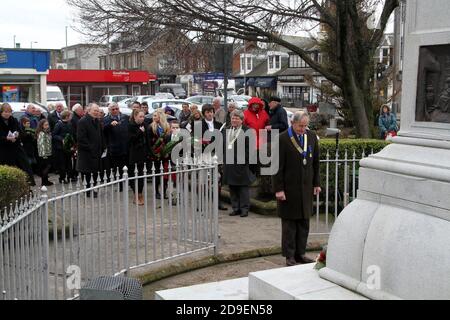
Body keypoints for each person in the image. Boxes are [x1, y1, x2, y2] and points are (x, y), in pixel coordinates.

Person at [273, 111, 321, 266]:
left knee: (304, 223)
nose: (303, 129)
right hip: (289, 188)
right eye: (301, 126)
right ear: (293, 123)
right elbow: (277, 167)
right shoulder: (282, 139)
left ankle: (301, 253)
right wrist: (279, 189)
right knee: (289, 225)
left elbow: (316, 163)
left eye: (306, 125)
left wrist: (317, 184)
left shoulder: (311, 136)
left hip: (306, 189)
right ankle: (290, 256)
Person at [223, 110, 256, 218]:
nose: (234, 120)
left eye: (237, 118)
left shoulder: (247, 131)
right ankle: (235, 208)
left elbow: (250, 149)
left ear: (241, 120)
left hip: (241, 164)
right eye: (233, 118)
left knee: (243, 188)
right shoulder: (226, 130)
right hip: (229, 163)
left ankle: (244, 209)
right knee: (232, 187)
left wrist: (244, 160)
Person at [0, 103, 36, 186]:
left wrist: (16, 136)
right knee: (8, 170)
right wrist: (6, 139)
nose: (7, 114)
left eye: (9, 112)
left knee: (25, 167)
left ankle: (28, 186)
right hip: (4, 150)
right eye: (5, 112)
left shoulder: (14, 120)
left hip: (16, 147)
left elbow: (20, 132)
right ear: (1, 112)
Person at [76, 103, 105, 197]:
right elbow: (81, 138)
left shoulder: (97, 121)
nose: (97, 113)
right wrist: (91, 148)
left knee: (95, 172)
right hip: (87, 153)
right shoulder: (82, 121)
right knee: (87, 173)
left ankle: (93, 189)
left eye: (98, 111)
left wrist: (103, 147)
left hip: (97, 153)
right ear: (89, 111)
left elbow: (101, 135)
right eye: (95, 111)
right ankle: (88, 191)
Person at [103, 102, 129, 185]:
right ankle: (119, 183)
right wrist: (110, 125)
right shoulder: (106, 119)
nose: (115, 111)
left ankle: (125, 181)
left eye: (116, 109)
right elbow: (103, 130)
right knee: (117, 167)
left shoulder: (125, 117)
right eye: (113, 109)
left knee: (125, 166)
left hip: (124, 146)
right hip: (114, 147)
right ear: (109, 110)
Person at [148, 109, 171, 199]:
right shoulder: (151, 127)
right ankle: (156, 192)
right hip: (156, 154)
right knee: (157, 173)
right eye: (153, 116)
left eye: (155, 116)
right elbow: (149, 142)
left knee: (165, 173)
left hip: (165, 153)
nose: (153, 117)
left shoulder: (167, 126)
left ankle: (164, 191)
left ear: (160, 116)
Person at [128, 109, 148, 205]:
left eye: (143, 116)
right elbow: (131, 140)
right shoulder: (130, 126)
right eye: (140, 116)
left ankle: (140, 194)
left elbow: (146, 139)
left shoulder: (144, 125)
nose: (142, 118)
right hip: (134, 154)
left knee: (141, 175)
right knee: (134, 175)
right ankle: (136, 194)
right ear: (135, 116)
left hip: (143, 154)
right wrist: (140, 132)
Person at [52, 110, 75, 184]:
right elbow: (54, 135)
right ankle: (62, 178)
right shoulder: (58, 124)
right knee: (62, 164)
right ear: (67, 116)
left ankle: (69, 177)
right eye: (70, 116)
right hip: (60, 148)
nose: (71, 117)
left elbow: (72, 134)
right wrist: (61, 139)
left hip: (68, 147)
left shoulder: (70, 124)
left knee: (69, 163)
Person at [36, 119, 54, 186]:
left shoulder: (47, 132)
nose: (47, 126)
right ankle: (44, 182)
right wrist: (43, 155)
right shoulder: (41, 133)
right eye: (45, 125)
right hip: (44, 154)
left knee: (47, 167)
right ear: (42, 126)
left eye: (47, 124)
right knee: (46, 167)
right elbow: (41, 144)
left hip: (49, 152)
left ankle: (46, 180)